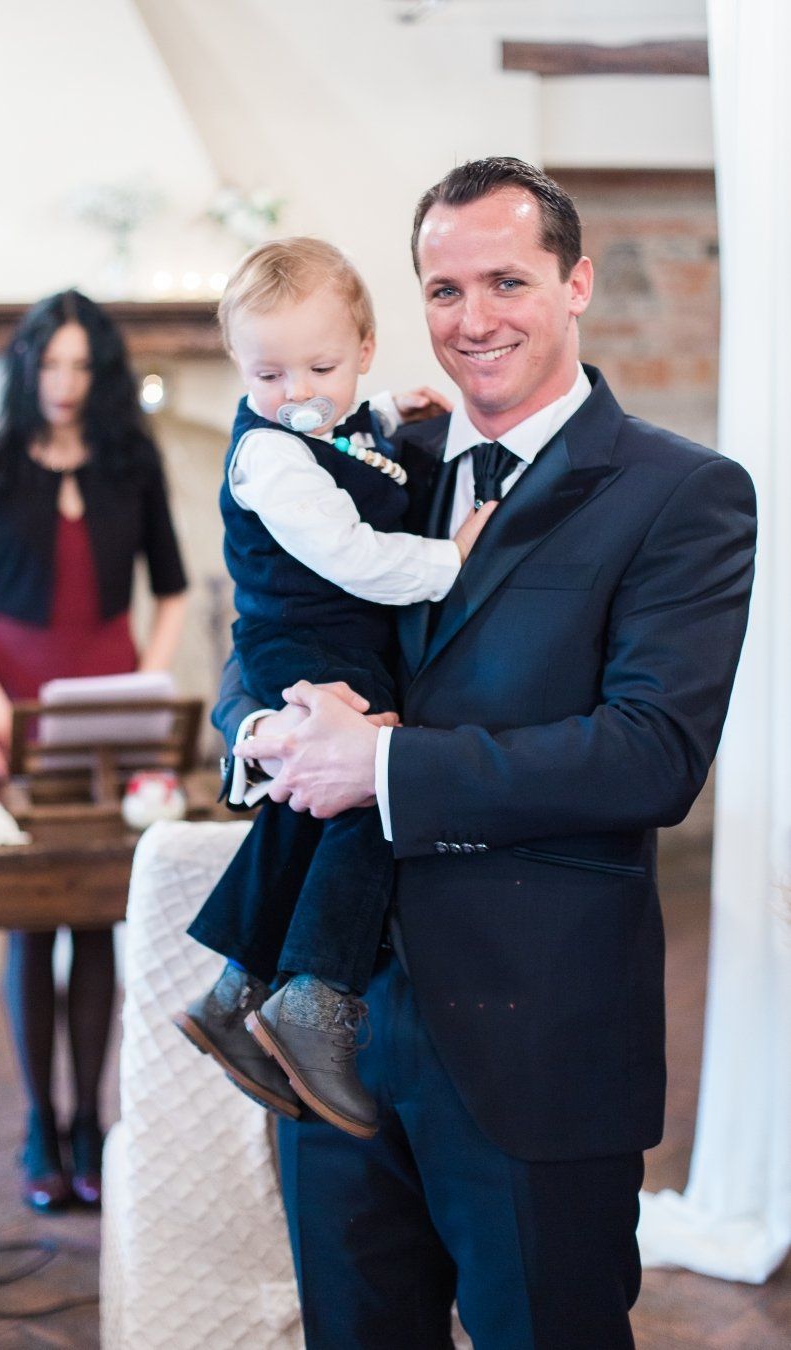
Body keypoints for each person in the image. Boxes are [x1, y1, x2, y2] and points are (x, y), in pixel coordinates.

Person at [216, 159, 757, 1349]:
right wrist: (255, 731)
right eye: (443, 288)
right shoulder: (366, 453)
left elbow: (652, 753)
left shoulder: (683, 494)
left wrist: (388, 770)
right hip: (334, 1025)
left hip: (537, 1037)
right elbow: (268, 623)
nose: (474, 319)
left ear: (576, 286)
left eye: (506, 280)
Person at [175, 237, 494, 1138]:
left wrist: (388, 409)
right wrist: (449, 559)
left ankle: (236, 994)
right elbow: (349, 553)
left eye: (321, 366)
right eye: (267, 375)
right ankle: (315, 1000)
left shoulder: (324, 421)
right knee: (368, 799)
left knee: (314, 810)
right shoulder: (270, 457)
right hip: (304, 644)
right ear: (239, 367)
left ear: (362, 350)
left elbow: (345, 434)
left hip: (330, 642)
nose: (298, 394)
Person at [0, 289, 188, 1212]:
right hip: (13, 710)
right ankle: (42, 1121)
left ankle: (93, 1124)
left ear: (103, 373)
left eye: (82, 366)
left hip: (107, 708)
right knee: (30, 917)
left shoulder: (132, 464)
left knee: (94, 915)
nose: (65, 383)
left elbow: (170, 589)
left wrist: (145, 683)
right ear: (26, 367)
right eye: (50, 365)